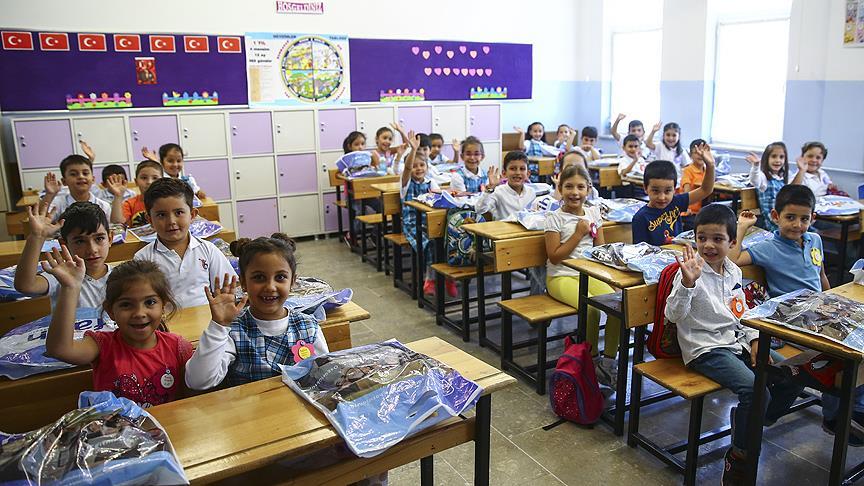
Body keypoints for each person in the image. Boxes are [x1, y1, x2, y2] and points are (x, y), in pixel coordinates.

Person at [666, 204, 805, 484]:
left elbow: (741, 313)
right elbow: (673, 315)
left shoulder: (733, 271)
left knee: (795, 374)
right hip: (705, 349)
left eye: (717, 239)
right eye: (702, 238)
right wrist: (687, 285)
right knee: (756, 391)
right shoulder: (690, 272)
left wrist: (754, 340)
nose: (708, 245)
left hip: (735, 342)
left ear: (732, 242)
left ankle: (754, 421)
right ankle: (740, 455)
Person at [729, 186, 859, 444]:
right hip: (791, 319)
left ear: (813, 218)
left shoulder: (815, 240)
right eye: (790, 217)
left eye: (804, 219)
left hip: (819, 312)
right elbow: (731, 261)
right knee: (835, 357)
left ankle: (838, 413)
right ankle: (828, 417)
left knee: (854, 349)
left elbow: (821, 276)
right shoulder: (768, 247)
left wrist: (832, 302)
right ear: (775, 216)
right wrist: (741, 227)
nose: (797, 225)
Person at [44, 256, 193, 408]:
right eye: (126, 305)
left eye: (150, 302)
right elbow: (60, 349)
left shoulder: (179, 348)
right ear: (110, 311)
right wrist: (70, 288)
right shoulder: (102, 345)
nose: (139, 313)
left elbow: (190, 399)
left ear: (163, 307)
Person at [185, 234, 328, 389]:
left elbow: (325, 377)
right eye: (259, 277)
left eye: (280, 277)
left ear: (293, 281)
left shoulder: (308, 326)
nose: (270, 287)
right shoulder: (233, 329)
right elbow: (198, 381)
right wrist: (218, 325)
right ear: (243, 282)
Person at [544, 164, 620, 359]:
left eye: (580, 187)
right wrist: (578, 234)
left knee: (617, 305)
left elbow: (600, 251)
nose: (575, 193)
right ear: (560, 188)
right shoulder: (554, 218)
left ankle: (609, 360)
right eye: (569, 186)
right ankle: (590, 358)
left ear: (588, 189)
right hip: (560, 276)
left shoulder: (593, 213)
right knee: (591, 310)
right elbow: (554, 256)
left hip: (589, 274)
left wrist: (611, 280)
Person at [133, 177, 236, 308]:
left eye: (179, 212)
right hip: (165, 320)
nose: (171, 221)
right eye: (161, 215)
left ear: (192, 215)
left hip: (208, 318)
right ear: (150, 220)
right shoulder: (142, 258)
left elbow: (226, 290)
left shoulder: (208, 250)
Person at [14, 202, 113, 309]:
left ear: (110, 238)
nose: (92, 250)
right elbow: (25, 285)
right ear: (64, 244)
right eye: (80, 241)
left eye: (99, 239)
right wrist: (36, 237)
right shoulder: (61, 274)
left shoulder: (119, 276)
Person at [631, 145, 716, 246]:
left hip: (679, 254)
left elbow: (706, 190)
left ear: (674, 189)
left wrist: (710, 165)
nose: (662, 197)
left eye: (667, 191)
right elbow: (640, 251)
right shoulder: (640, 218)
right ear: (645, 188)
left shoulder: (675, 202)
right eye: (655, 191)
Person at [401, 132, 445, 296]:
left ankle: (445, 276)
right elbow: (407, 169)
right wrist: (413, 150)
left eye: (422, 165)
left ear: (427, 167)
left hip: (428, 222)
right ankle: (430, 278)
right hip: (412, 224)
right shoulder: (406, 184)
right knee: (429, 242)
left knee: (443, 238)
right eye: (415, 166)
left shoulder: (430, 182)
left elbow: (440, 199)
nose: (418, 168)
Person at [42, 154, 122, 224]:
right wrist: (49, 194)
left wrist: (118, 195)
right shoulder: (58, 204)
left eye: (85, 173)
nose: (81, 176)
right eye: (73, 174)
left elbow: (114, 227)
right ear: (64, 181)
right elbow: (40, 220)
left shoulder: (103, 206)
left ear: (93, 179)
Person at [474, 151, 537, 221]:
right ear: (504, 173)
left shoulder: (531, 192)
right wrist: (490, 188)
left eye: (522, 169)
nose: (518, 172)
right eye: (512, 169)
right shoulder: (498, 192)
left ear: (528, 174)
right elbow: (479, 210)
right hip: (503, 227)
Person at [746, 141, 789, 232]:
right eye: (774, 156)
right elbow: (754, 181)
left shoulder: (782, 177)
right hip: (772, 221)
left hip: (785, 216)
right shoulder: (763, 177)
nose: (778, 160)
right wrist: (756, 166)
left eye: (781, 157)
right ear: (766, 158)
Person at [142, 143, 207, 199]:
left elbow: (197, 191)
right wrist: (155, 161)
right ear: (162, 162)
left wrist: (199, 193)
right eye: (170, 161)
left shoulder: (187, 180)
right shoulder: (160, 179)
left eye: (179, 161)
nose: (175, 164)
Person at [123, 160, 164, 227]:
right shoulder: (129, 204)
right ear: (136, 181)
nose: (149, 182)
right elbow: (119, 224)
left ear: (162, 181)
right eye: (144, 178)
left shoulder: (167, 202)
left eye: (155, 178)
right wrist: (118, 196)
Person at [679, 138, 709, 216]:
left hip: (703, 210)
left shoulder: (708, 170)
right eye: (696, 152)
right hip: (690, 210)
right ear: (690, 155)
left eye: (702, 152)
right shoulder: (687, 170)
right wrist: (686, 208)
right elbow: (686, 192)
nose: (700, 155)